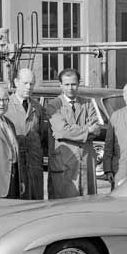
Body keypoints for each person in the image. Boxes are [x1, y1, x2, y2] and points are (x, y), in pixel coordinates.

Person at [44, 68, 102, 199]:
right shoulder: (54, 105)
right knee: (64, 206)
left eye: (73, 84)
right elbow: (61, 131)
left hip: (86, 162)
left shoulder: (88, 103)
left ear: (79, 84)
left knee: (87, 205)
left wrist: (72, 131)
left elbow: (96, 129)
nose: (70, 88)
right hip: (64, 163)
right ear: (61, 85)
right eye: (67, 84)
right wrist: (87, 130)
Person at [5, 68, 45, 200]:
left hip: (34, 166)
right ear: (16, 82)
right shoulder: (5, 105)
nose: (29, 87)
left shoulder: (37, 107)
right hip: (15, 167)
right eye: (25, 83)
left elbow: (41, 135)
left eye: (32, 83)